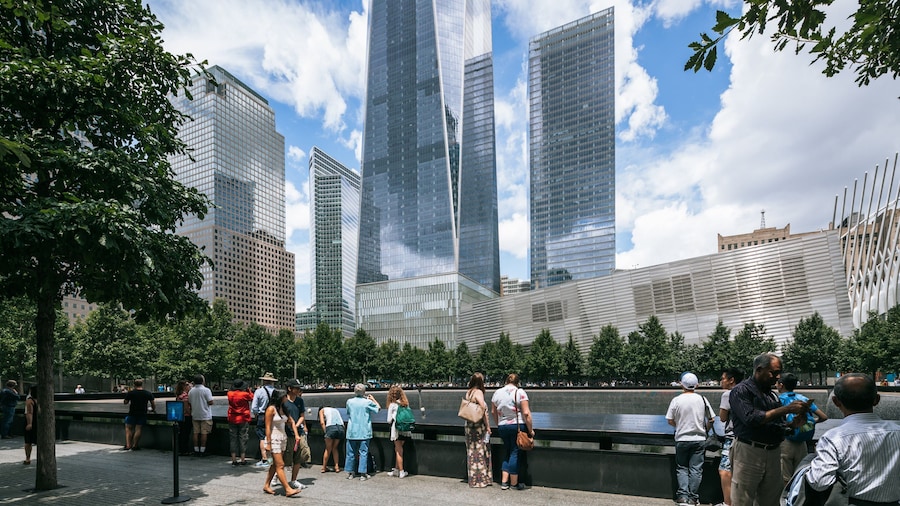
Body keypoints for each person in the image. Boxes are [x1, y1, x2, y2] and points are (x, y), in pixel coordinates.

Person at [805, 373, 900, 505]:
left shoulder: (833, 438)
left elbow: (820, 482)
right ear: (877, 399)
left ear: (836, 402)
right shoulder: (897, 432)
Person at [729, 353, 809, 506]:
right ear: (759, 370)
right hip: (748, 451)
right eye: (773, 372)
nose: (778, 377)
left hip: (773, 452)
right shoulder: (741, 391)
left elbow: (778, 425)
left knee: (771, 500)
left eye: (779, 372)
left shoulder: (771, 395)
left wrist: (792, 425)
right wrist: (786, 409)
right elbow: (751, 418)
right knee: (742, 500)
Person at [666, 372, 713, 506]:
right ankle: (693, 498)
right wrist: (705, 430)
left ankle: (682, 497)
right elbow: (712, 419)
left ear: (682, 384)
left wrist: (679, 425)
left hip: (682, 438)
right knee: (696, 469)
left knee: (682, 468)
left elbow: (670, 420)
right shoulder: (702, 399)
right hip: (699, 439)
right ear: (696, 385)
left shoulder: (677, 400)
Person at [777, 372, 827, 485]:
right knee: (799, 475)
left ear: (781, 385)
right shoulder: (803, 399)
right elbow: (824, 417)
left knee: (785, 478)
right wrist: (809, 422)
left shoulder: (779, 400)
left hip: (786, 442)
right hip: (802, 442)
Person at [491, 373, 534, 491]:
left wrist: (498, 423)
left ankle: (504, 482)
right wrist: (530, 430)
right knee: (515, 452)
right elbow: (526, 413)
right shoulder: (520, 392)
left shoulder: (497, 393)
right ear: (517, 382)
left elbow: (493, 412)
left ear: (506, 381)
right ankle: (514, 484)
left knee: (507, 451)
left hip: (502, 426)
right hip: (517, 426)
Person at [262, 389, 302, 497]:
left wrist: (296, 432)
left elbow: (291, 421)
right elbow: (267, 427)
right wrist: (268, 443)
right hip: (274, 438)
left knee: (275, 465)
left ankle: (266, 485)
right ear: (279, 397)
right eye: (284, 396)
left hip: (282, 438)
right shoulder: (271, 409)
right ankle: (288, 489)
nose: (286, 398)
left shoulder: (283, 408)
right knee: (280, 465)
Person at [715, 367, 745, 506]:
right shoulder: (747, 391)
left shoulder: (728, 394)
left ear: (731, 380)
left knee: (724, 471)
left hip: (732, 438)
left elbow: (722, 417)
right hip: (746, 438)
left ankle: (728, 503)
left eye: (723, 378)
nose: (721, 381)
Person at [345, 383, 381, 481]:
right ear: (364, 392)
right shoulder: (367, 402)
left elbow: (348, 412)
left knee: (350, 453)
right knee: (363, 453)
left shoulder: (349, 402)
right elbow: (378, 408)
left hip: (352, 431)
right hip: (364, 431)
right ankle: (362, 473)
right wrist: (372, 399)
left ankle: (350, 473)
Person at [464, 372, 492, 488]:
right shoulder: (478, 392)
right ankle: (480, 480)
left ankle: (473, 479)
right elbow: (483, 408)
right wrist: (488, 426)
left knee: (471, 452)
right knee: (480, 451)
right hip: (478, 426)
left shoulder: (468, 392)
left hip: (469, 425)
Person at [283, 379, 310, 490]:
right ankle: (276, 474)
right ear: (290, 389)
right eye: (297, 388)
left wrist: (297, 425)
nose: (299, 390)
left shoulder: (300, 401)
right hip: (287, 433)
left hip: (298, 432)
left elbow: (302, 415)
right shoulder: (283, 401)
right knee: (286, 458)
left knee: (300, 456)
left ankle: (293, 480)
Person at [386, 384, 412, 478]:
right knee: (399, 448)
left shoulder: (392, 405)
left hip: (396, 429)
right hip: (405, 429)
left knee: (398, 450)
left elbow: (389, 420)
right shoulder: (405, 404)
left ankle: (401, 471)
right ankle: (396, 470)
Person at [251, 372, 277, 467]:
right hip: (274, 416)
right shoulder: (276, 391)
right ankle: (274, 458)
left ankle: (265, 459)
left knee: (262, 437)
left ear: (264, 381)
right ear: (272, 382)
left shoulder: (259, 391)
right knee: (272, 436)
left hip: (262, 415)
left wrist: (256, 414)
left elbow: (254, 407)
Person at [123, 379, 156, 451]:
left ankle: (128, 445)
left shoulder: (131, 393)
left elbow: (125, 402)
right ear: (142, 384)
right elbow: (153, 404)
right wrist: (153, 410)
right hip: (142, 413)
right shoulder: (148, 393)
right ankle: (135, 445)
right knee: (138, 429)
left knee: (128, 428)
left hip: (132, 413)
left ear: (134, 385)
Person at [227, 379, 253, 466]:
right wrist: (248, 389)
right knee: (243, 438)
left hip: (232, 418)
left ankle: (234, 459)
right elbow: (252, 397)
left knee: (233, 438)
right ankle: (242, 459)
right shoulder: (244, 394)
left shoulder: (229, 394)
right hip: (243, 418)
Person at [187, 374, 214, 457]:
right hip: (205, 415)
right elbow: (210, 402)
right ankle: (202, 450)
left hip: (195, 414)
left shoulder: (191, 391)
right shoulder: (206, 390)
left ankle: (196, 450)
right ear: (202, 381)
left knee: (195, 433)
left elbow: (189, 402)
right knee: (204, 433)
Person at [318, 405, 344, 473]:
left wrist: (325, 432)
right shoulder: (335, 409)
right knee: (335, 448)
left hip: (331, 428)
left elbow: (322, 422)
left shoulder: (322, 410)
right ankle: (337, 467)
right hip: (341, 428)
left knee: (328, 449)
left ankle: (324, 468)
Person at [174, 380, 193, 456]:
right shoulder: (185, 395)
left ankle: (180, 449)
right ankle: (185, 450)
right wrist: (191, 413)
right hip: (186, 417)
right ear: (184, 386)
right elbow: (186, 407)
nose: (189, 386)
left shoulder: (179, 395)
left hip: (180, 416)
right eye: (188, 385)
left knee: (181, 433)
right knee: (186, 434)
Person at [23, 385, 37, 464]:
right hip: (39, 422)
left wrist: (29, 424)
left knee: (28, 441)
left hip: (32, 422)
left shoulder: (30, 401)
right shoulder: (42, 399)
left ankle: (28, 458)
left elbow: (29, 413)